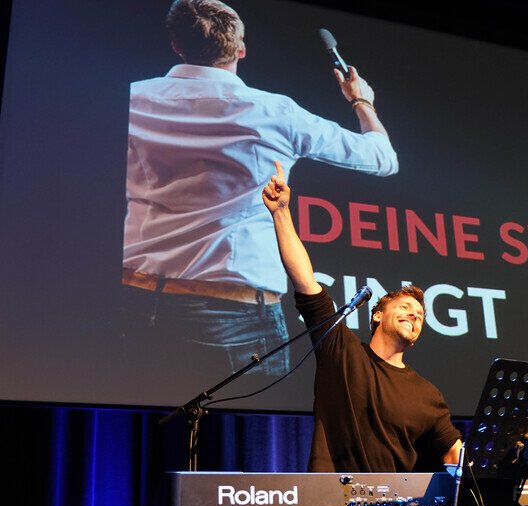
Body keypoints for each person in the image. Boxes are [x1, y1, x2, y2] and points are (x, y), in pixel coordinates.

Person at [120, 0, 398, 379]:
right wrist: (361, 100)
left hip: (134, 296)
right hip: (235, 311)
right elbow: (381, 158)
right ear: (240, 49)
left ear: (176, 45)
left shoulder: (132, 98)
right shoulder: (275, 112)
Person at [262, 160, 462, 475]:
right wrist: (281, 213)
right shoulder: (343, 353)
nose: (415, 314)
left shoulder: (429, 395)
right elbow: (305, 281)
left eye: (421, 314)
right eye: (406, 306)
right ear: (377, 315)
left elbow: (454, 455)